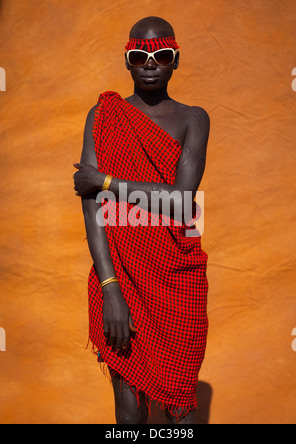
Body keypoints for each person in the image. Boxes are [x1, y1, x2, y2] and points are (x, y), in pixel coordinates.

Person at [73, 16, 210, 425]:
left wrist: (106, 181)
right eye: (140, 56)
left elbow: (182, 202)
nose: (151, 63)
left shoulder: (194, 119)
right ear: (128, 62)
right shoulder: (103, 115)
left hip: (178, 274)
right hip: (121, 275)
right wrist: (110, 287)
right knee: (130, 405)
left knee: (180, 404)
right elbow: (91, 205)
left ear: (176, 61)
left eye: (162, 55)